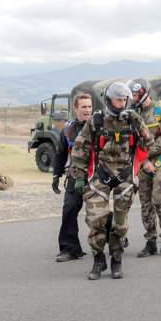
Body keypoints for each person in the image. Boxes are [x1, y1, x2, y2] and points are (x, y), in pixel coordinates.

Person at [71, 82, 153, 280]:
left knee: (119, 224)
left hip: (125, 176)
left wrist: (139, 126)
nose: (123, 103)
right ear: (109, 99)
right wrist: (80, 177)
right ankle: (98, 260)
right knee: (96, 219)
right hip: (101, 174)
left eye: (125, 99)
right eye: (119, 99)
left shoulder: (133, 120)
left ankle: (117, 260)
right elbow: (80, 149)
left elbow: (150, 144)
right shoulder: (96, 121)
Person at [128, 79, 161, 258]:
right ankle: (150, 242)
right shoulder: (133, 114)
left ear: (143, 94)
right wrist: (142, 160)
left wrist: (148, 158)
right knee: (145, 204)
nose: (131, 99)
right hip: (143, 164)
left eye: (134, 95)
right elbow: (132, 140)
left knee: (159, 200)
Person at [52, 93, 92, 262]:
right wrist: (56, 174)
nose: (87, 110)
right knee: (69, 209)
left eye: (90, 107)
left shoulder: (100, 126)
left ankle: (117, 235)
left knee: (98, 215)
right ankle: (70, 249)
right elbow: (61, 154)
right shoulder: (67, 130)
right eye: (83, 107)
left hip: (95, 177)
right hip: (75, 176)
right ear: (75, 109)